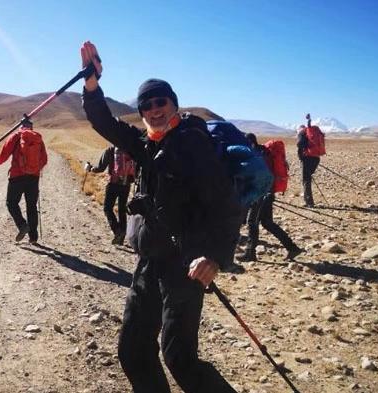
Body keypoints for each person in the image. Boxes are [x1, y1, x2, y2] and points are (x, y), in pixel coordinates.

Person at [80, 41, 242, 393]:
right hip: (149, 261)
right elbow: (104, 122)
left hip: (184, 264)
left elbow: (226, 204)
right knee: (133, 349)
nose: (154, 110)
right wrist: (92, 85)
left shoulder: (191, 143)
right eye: (146, 106)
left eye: (160, 102)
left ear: (174, 105)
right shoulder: (147, 142)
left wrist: (214, 256)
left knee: (180, 358)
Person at [239, 134, 303, 262]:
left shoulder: (257, 155)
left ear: (251, 143)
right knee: (267, 222)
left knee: (253, 222)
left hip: (261, 193)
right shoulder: (263, 153)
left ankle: (250, 253)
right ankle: (292, 248)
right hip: (267, 192)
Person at [0, 119, 47, 244]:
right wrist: (34, 169)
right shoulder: (38, 139)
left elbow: (2, 157)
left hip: (16, 177)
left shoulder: (15, 137)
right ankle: (33, 238)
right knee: (31, 206)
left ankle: (22, 225)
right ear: (31, 127)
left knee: (11, 203)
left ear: (20, 126)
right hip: (33, 178)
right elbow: (44, 160)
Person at [85, 146, 135, 245]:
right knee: (122, 209)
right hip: (126, 184)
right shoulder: (130, 149)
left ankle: (117, 231)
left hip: (113, 183)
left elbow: (100, 168)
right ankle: (121, 236)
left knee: (107, 208)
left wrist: (89, 168)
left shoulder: (111, 150)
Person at [297, 114, 319, 207]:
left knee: (306, 180)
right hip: (315, 158)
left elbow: (299, 145)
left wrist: (301, 155)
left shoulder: (302, 133)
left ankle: (309, 202)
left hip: (307, 159)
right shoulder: (310, 133)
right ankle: (309, 200)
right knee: (308, 179)